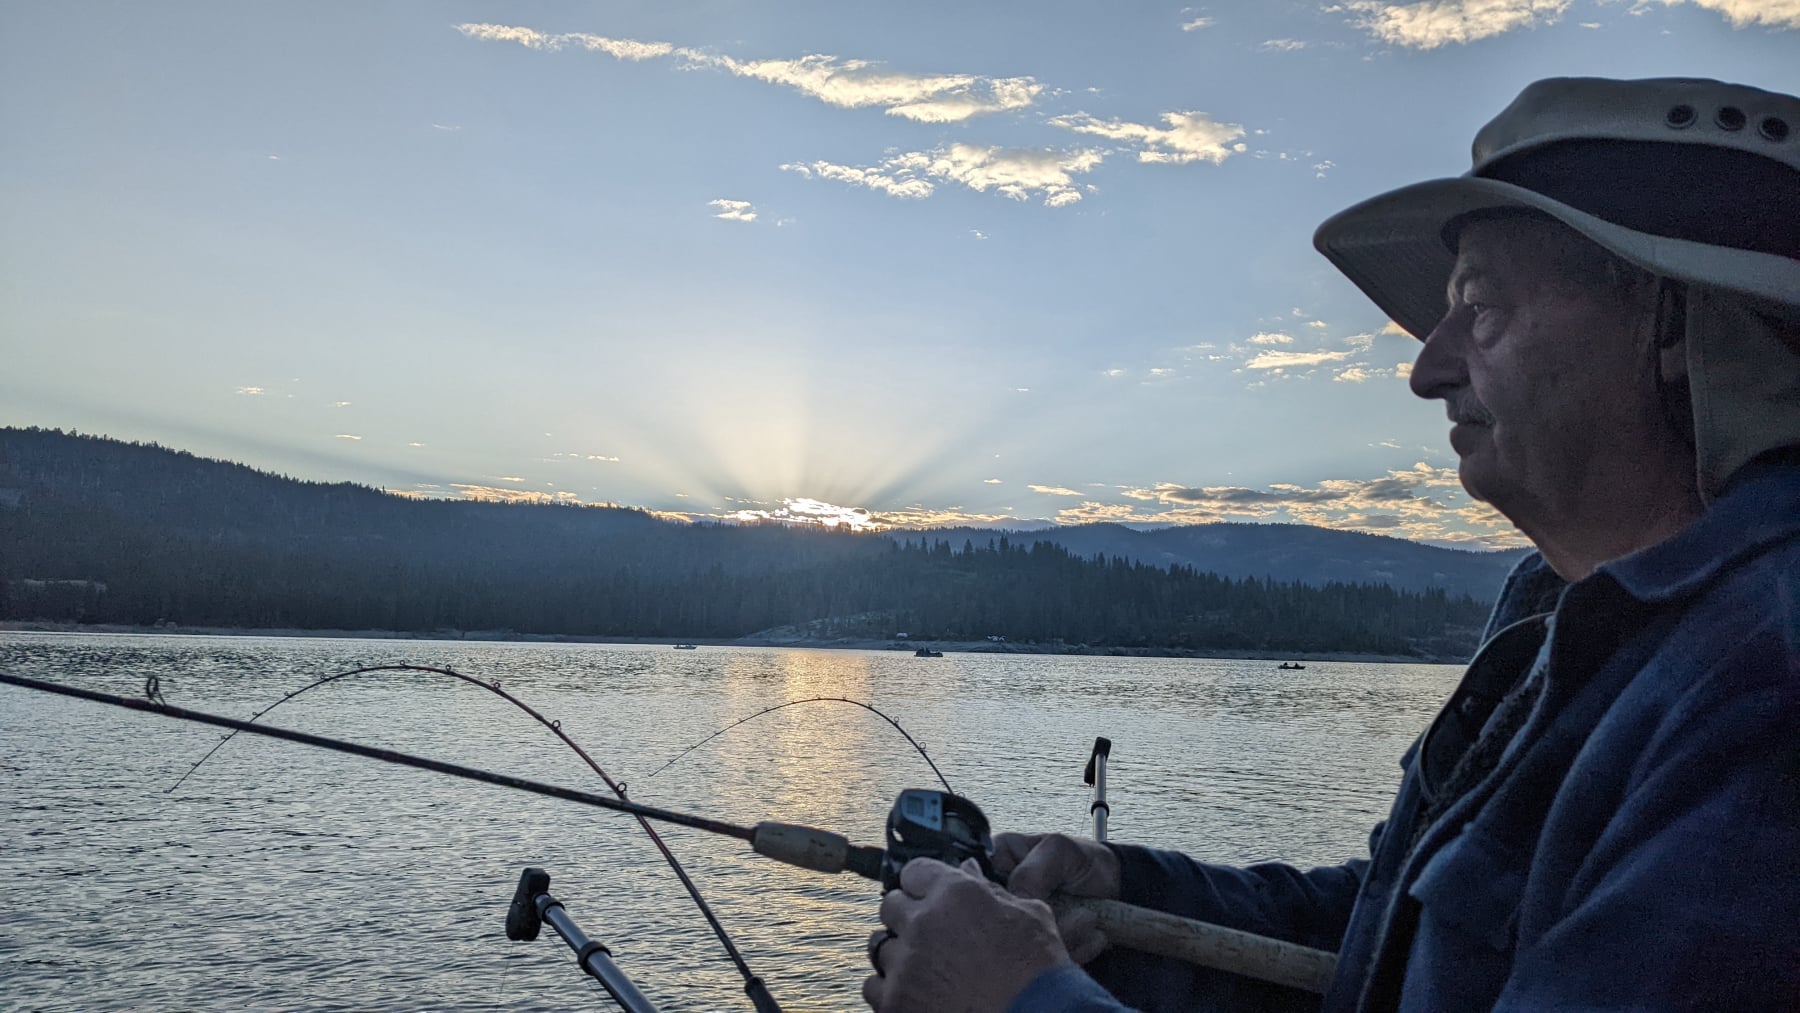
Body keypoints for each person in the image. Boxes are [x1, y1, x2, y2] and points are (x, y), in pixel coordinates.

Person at [860, 76, 1800, 1012]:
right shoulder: (1559, 610)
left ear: (1674, 323)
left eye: (1480, 306)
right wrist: (1129, 895)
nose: (1427, 370)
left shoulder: (1768, 690)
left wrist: (1019, 999)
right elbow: (1394, 934)